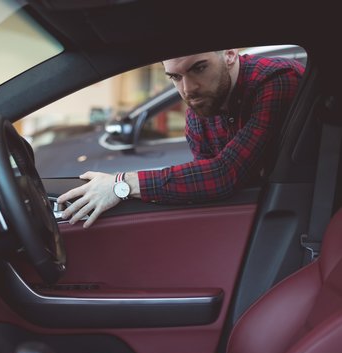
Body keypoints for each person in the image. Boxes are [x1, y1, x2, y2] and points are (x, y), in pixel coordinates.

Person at [57, 49, 305, 228]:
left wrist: (121, 184)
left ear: (229, 54)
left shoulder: (277, 81)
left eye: (199, 68)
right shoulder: (199, 108)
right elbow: (207, 184)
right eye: (175, 77)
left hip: (301, 216)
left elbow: (225, 175)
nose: (187, 89)